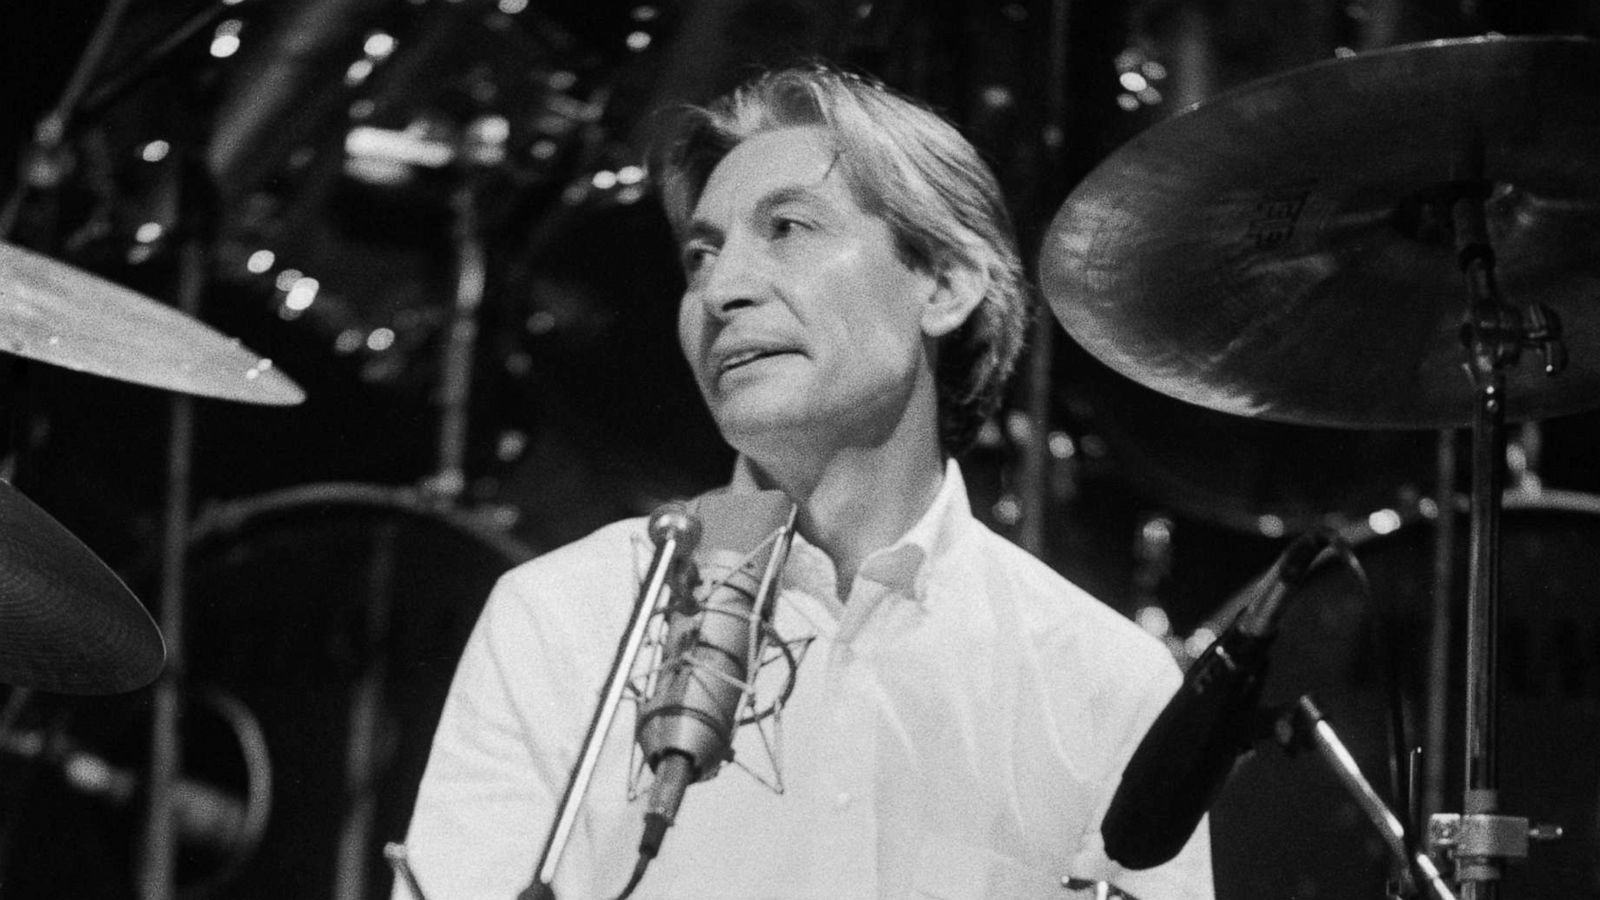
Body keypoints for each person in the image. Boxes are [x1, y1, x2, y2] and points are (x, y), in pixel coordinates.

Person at [397, 63, 1213, 900]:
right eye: (699, 257)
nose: (722, 290)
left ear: (944, 283)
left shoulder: (1109, 682)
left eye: (787, 227)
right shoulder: (564, 620)